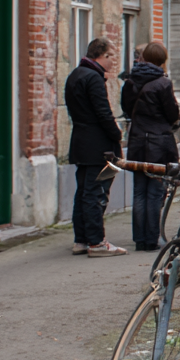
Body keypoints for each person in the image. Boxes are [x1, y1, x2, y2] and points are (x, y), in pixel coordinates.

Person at [64, 37, 126, 257]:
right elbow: (103, 112)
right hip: (99, 147)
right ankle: (97, 242)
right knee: (96, 192)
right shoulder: (93, 78)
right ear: (104, 56)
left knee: (83, 192)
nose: (113, 64)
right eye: (112, 57)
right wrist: (116, 134)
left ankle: (81, 239)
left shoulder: (75, 75)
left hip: (81, 143)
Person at [121, 41, 180, 252]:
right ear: (162, 60)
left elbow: (126, 108)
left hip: (137, 140)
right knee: (155, 191)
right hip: (158, 142)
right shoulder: (163, 84)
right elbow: (172, 114)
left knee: (139, 191)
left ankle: (140, 238)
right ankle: (152, 238)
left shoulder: (130, 82)